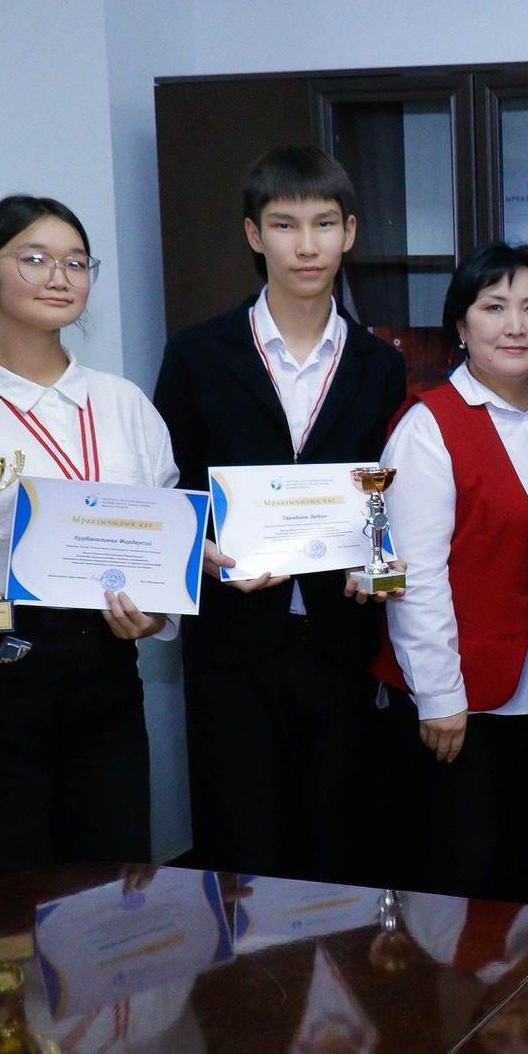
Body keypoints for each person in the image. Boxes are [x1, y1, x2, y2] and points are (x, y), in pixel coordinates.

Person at [153, 145, 405, 883]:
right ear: (253, 234)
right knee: (241, 854)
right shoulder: (197, 353)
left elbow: (388, 497)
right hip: (232, 645)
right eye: (285, 224)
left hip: (342, 642)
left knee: (338, 850)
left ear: (349, 232)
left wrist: (379, 566)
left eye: (323, 223)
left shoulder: (380, 363)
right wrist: (200, 553)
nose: (306, 245)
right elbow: (172, 494)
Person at [0, 195, 177, 882]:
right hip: (2, 674)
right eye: (33, 259)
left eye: (76, 262)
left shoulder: (125, 405)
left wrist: (157, 613)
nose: (59, 277)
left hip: (108, 673)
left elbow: (165, 536)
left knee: (116, 877)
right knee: (8, 887)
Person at [375, 242, 528, 901]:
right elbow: (414, 577)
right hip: (463, 703)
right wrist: (439, 696)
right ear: (461, 324)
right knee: (463, 890)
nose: (516, 325)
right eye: (494, 307)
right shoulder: (428, 425)